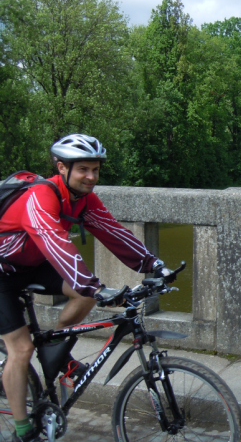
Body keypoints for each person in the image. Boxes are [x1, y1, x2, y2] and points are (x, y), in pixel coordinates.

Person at [0, 134, 166, 442]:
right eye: (83, 170)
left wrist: (154, 265)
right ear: (62, 167)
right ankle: (24, 430)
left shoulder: (83, 199)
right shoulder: (40, 196)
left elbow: (111, 230)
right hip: (3, 272)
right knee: (20, 349)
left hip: (31, 263)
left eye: (95, 169)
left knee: (83, 297)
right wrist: (94, 286)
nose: (91, 177)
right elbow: (55, 241)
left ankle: (55, 351)